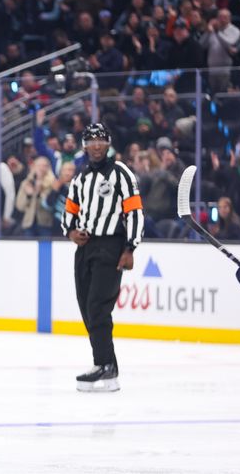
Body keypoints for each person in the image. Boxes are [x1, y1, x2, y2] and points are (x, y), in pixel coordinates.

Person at [61, 123, 144, 393]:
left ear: (108, 144)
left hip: (111, 246)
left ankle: (105, 365)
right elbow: (69, 212)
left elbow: (134, 211)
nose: (96, 145)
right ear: (84, 145)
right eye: (91, 140)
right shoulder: (80, 178)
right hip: (84, 248)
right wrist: (71, 232)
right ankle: (108, 366)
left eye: (101, 140)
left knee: (98, 306)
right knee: (87, 306)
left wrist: (130, 247)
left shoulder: (121, 174)